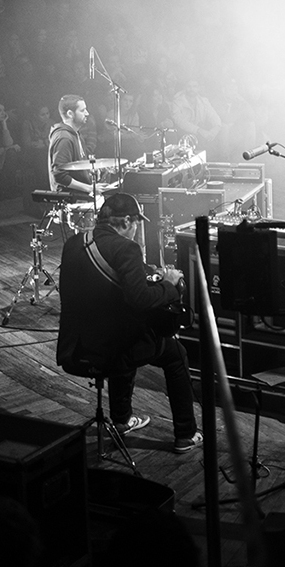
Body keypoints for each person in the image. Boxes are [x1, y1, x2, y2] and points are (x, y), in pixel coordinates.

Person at [56, 193, 202, 453]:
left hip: (76, 347)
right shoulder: (126, 248)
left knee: (127, 329)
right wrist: (169, 285)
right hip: (109, 350)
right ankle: (186, 434)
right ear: (125, 221)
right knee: (174, 353)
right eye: (136, 223)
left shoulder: (75, 243)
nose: (136, 229)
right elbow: (141, 299)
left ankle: (122, 420)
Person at [49, 94, 94, 196]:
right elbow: (59, 175)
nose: (87, 113)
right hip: (71, 198)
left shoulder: (76, 133)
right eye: (82, 110)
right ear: (70, 113)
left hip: (80, 194)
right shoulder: (64, 138)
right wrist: (89, 188)